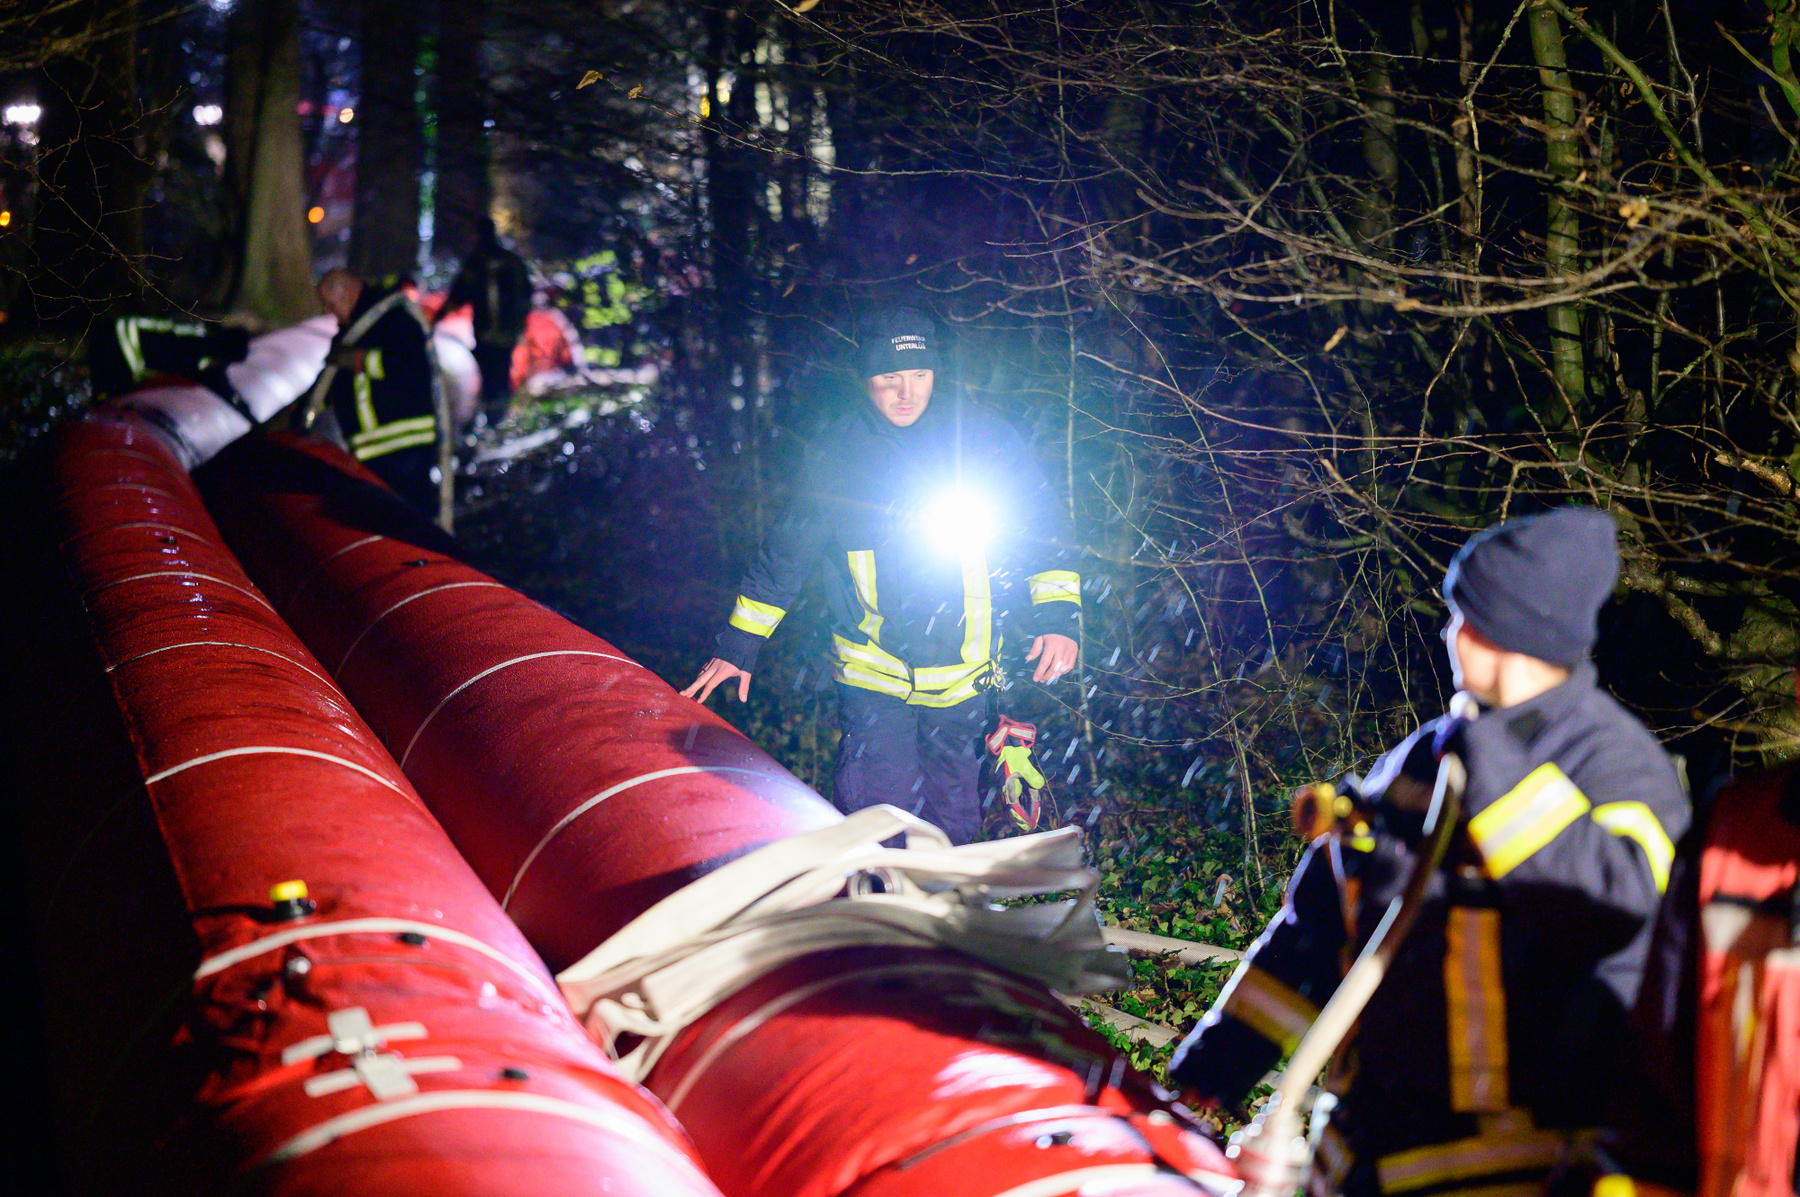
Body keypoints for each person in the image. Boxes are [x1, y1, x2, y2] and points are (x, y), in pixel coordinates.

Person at [1169, 508, 1689, 1197]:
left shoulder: (1614, 765)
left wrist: (1497, 773)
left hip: (1523, 1165)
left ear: (1505, 630)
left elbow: (1614, 914)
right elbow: (1319, 924)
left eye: (1461, 615)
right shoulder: (1426, 756)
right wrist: (1221, 1063)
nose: (1449, 632)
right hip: (1366, 1151)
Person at [681, 307, 1082, 844]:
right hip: (874, 676)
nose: (906, 393)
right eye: (889, 378)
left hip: (964, 678)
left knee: (952, 823)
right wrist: (739, 644)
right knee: (877, 821)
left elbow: (1043, 524)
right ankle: (875, 919)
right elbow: (788, 551)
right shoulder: (836, 452)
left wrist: (1058, 618)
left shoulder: (984, 440)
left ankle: (943, 923)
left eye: (919, 375)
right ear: (864, 380)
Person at [305, 268, 441, 518]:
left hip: (406, 447)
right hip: (373, 453)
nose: (327, 311)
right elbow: (330, 384)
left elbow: (407, 368)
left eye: (329, 303)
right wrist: (301, 411)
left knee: (412, 524)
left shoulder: (395, 320)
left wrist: (356, 360)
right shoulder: (350, 335)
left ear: (347, 293)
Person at [439, 216, 531, 426]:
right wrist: (519, 324)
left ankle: (489, 419)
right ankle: (498, 417)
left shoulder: (478, 262)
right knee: (500, 370)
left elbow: (458, 293)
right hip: (507, 333)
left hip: (487, 332)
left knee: (488, 372)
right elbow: (526, 294)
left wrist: (436, 318)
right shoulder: (512, 261)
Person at [89, 312, 251, 412]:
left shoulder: (204, 329)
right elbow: (217, 382)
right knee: (113, 397)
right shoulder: (198, 352)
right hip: (124, 345)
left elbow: (219, 381)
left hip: (119, 326)